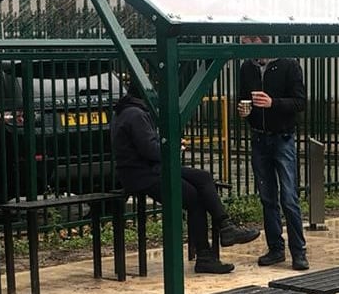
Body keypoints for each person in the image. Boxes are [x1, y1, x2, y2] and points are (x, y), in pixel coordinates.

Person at [110, 81, 260, 274]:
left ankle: (224, 229)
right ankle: (218, 238)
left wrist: (168, 146)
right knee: (194, 197)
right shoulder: (136, 114)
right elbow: (151, 150)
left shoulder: (129, 111)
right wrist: (173, 147)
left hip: (148, 169)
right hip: (144, 174)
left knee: (202, 179)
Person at [236, 35, 310, 270]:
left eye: (247, 44)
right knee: (267, 197)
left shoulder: (288, 64)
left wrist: (273, 103)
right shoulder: (247, 68)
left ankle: (298, 251)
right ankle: (276, 249)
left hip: (283, 137)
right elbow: (241, 98)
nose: (245, 50)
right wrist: (242, 110)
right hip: (259, 136)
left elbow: (300, 102)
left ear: (260, 40)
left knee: (289, 197)